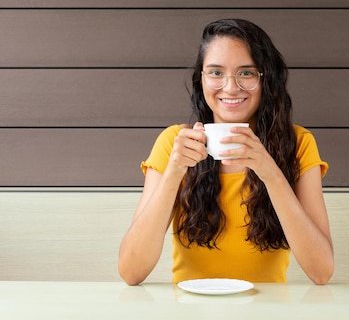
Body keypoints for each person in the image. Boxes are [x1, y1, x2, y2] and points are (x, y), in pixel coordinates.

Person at [118, 19, 334, 285]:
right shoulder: (173, 142)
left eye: (246, 73)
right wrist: (174, 173)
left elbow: (321, 271)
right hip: (189, 308)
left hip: (269, 309)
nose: (231, 88)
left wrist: (271, 174)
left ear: (266, 79)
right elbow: (131, 272)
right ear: (201, 79)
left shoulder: (298, 143)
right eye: (216, 72)